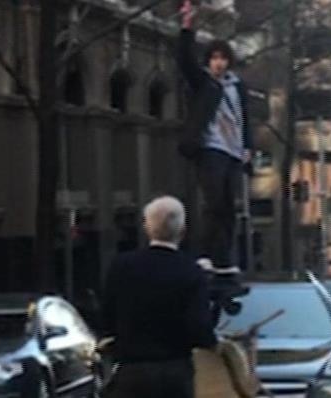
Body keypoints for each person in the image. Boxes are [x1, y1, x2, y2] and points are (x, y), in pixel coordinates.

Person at [102, 196, 217, 398]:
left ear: (147, 229)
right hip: (175, 371)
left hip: (132, 371)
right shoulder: (191, 271)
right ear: (182, 231)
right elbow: (199, 327)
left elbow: (107, 318)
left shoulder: (121, 266)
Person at [177, 0, 253, 286]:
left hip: (233, 152)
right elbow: (184, 61)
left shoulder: (238, 86)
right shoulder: (203, 83)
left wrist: (247, 147)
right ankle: (207, 255)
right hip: (211, 149)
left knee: (229, 207)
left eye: (223, 58)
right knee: (213, 204)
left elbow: (245, 118)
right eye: (214, 58)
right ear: (208, 62)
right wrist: (187, 28)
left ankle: (225, 259)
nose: (218, 63)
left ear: (229, 61)